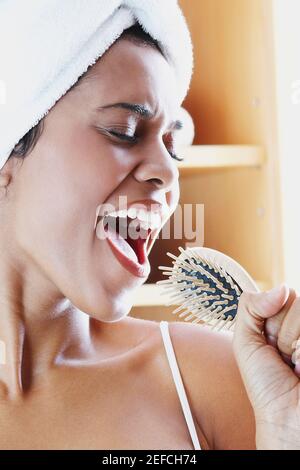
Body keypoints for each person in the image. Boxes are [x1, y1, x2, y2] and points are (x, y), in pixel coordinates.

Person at [0, 13, 299, 451]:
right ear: (8, 155)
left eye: (173, 147)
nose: (167, 173)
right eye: (123, 131)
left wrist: (287, 434)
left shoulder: (219, 383)